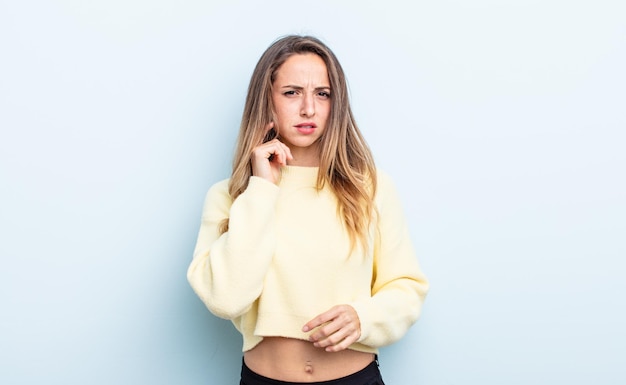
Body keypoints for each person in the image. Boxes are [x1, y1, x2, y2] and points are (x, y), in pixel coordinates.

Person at [187, 35, 429, 385]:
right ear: (267, 101)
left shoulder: (370, 187)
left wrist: (364, 317)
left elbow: (406, 287)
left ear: (336, 103)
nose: (308, 109)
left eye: (322, 94)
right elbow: (226, 299)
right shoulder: (232, 195)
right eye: (291, 92)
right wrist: (263, 188)